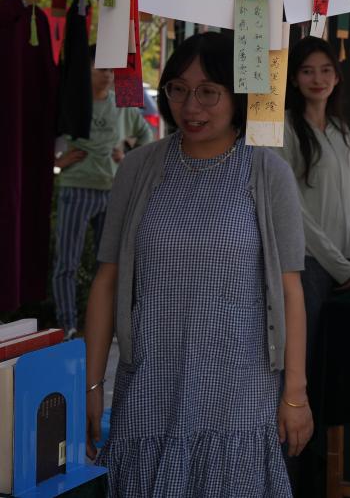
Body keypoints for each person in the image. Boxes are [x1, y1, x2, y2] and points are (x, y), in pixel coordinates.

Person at [83, 31, 311, 496]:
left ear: (237, 95)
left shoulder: (269, 174)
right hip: (149, 385)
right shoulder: (138, 168)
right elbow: (107, 280)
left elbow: (290, 292)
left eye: (208, 92)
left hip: (239, 389)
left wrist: (295, 394)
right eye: (179, 90)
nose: (191, 107)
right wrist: (91, 386)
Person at [276, 36, 350, 382]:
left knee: (331, 371)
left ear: (337, 76)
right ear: (294, 78)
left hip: (345, 268)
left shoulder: (341, 130)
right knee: (300, 366)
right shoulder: (283, 128)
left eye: (326, 70)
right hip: (306, 265)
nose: (318, 79)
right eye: (307, 71)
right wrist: (337, 264)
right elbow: (291, 210)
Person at [53, 52, 153, 336]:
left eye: (111, 70)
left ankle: (105, 325)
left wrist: (128, 156)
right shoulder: (71, 103)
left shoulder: (121, 106)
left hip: (112, 191)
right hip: (76, 189)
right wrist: (57, 162)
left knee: (109, 265)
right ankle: (67, 326)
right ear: (86, 70)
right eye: (101, 68)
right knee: (67, 264)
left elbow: (146, 136)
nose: (108, 75)